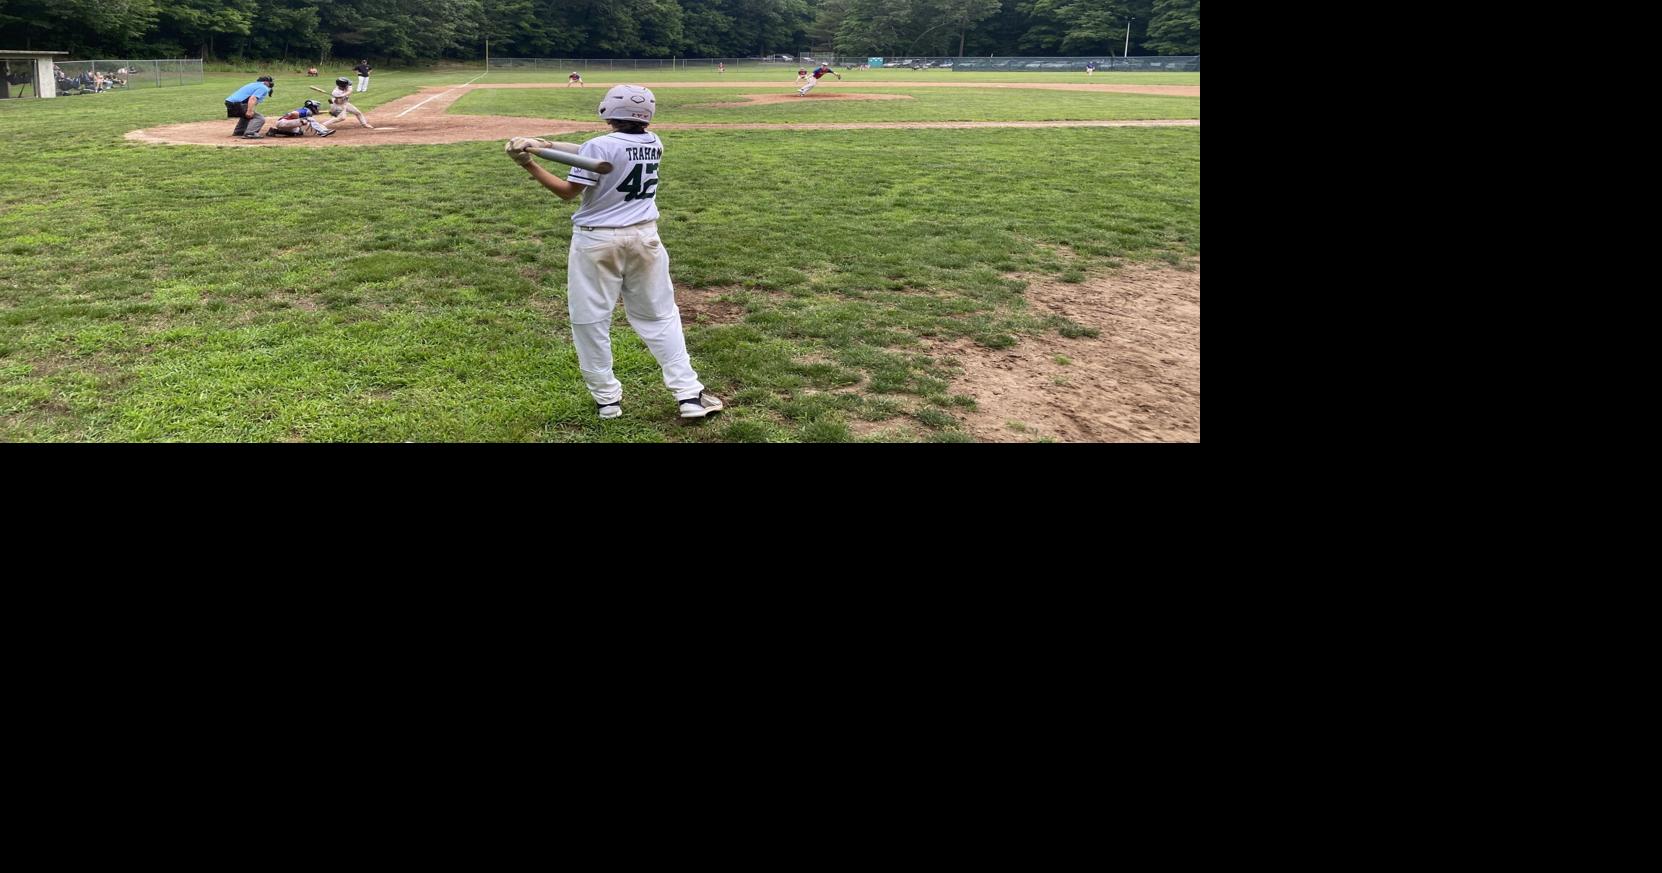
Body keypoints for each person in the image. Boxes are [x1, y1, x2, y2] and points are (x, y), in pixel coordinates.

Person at [503, 85, 724, 421]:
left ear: (607, 110)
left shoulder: (600, 146)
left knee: (590, 319)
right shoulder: (654, 142)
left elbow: (567, 191)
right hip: (645, 238)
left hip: (597, 242)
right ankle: (689, 394)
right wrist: (545, 144)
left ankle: (607, 401)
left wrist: (528, 163)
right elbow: (589, 152)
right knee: (660, 316)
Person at [264, 100, 335, 137]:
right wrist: (299, 120)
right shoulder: (306, 111)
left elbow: (317, 113)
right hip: (284, 122)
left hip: (283, 123)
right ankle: (323, 132)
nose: (318, 108)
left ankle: (274, 131)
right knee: (309, 119)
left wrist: (328, 111)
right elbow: (294, 113)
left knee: (298, 132)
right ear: (312, 107)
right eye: (317, 107)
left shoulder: (306, 110)